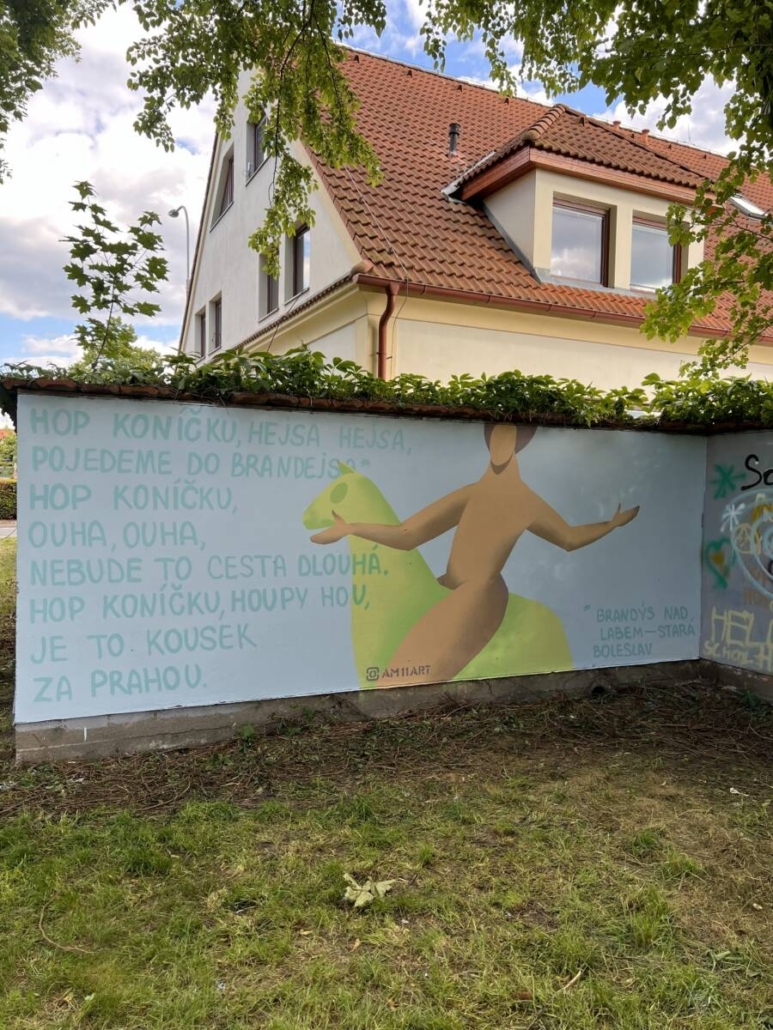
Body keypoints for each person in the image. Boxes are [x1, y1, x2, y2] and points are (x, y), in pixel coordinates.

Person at [311, 424, 639, 685]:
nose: (499, 445)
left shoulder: (525, 502)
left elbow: (568, 538)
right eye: (494, 437)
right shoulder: (472, 493)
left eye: (507, 438)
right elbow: (408, 535)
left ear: (518, 444)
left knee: (400, 677)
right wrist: (352, 528)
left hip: (481, 593)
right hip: (448, 584)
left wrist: (610, 525)